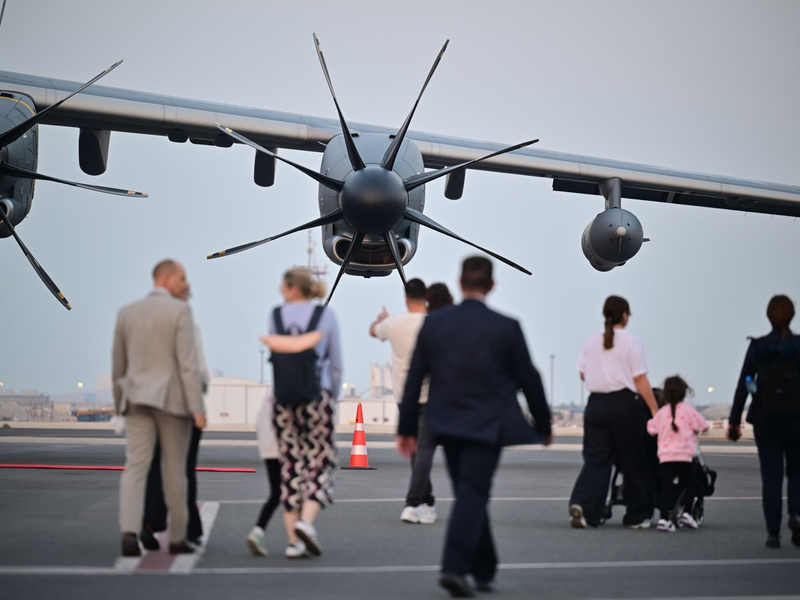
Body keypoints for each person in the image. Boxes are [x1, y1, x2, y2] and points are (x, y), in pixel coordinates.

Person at [398, 257, 552, 598]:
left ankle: (484, 568)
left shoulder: (435, 324)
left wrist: (405, 427)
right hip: (487, 425)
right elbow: (531, 378)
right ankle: (454, 568)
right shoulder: (506, 327)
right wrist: (544, 425)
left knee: (470, 491)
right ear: (492, 285)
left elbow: (414, 378)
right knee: (474, 492)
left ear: (459, 282)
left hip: (445, 422)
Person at [112, 259, 206, 556]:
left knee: (135, 468)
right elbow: (187, 366)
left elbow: (118, 365)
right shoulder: (181, 311)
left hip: (136, 400)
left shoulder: (126, 312)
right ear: (165, 277)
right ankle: (177, 538)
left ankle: (129, 533)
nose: (185, 282)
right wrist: (197, 408)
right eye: (181, 277)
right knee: (175, 471)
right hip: (172, 404)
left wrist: (119, 405)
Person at [269, 267, 342, 559]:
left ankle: (292, 542)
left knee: (290, 466)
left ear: (290, 287)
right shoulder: (325, 316)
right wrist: (331, 396)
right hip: (317, 397)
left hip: (283, 400)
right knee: (320, 461)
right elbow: (336, 365)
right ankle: (306, 523)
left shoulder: (275, 316)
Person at [569, 295, 658, 530]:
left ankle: (583, 506)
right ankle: (637, 515)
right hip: (624, 404)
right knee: (632, 459)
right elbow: (639, 378)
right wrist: (654, 409)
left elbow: (582, 374)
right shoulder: (632, 342)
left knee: (596, 460)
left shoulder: (591, 341)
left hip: (596, 406)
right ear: (625, 315)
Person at [728, 295, 800, 549]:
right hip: (796, 419)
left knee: (771, 477)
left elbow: (744, 383)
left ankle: (773, 534)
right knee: (796, 471)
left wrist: (734, 420)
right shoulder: (797, 345)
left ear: (769, 317)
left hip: (765, 419)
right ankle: (796, 513)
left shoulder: (758, 347)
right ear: (791, 316)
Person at [141, 290, 210, 550]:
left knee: (157, 467)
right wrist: (199, 406)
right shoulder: (189, 326)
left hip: (156, 406)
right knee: (184, 471)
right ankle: (189, 530)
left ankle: (149, 523)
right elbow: (196, 369)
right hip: (183, 408)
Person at [370, 279, 436, 524]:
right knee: (424, 449)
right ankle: (416, 503)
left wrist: (382, 318)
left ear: (406, 297)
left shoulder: (394, 323)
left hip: (404, 397)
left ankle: (424, 502)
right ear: (426, 296)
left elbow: (372, 330)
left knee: (414, 450)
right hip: (430, 396)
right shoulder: (434, 323)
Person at [647, 376, 709, 532]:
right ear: (684, 393)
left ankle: (663, 519)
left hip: (665, 458)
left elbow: (651, 429)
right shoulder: (689, 411)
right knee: (690, 484)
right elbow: (704, 426)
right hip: (684, 458)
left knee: (665, 488)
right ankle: (687, 513)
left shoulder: (661, 413)